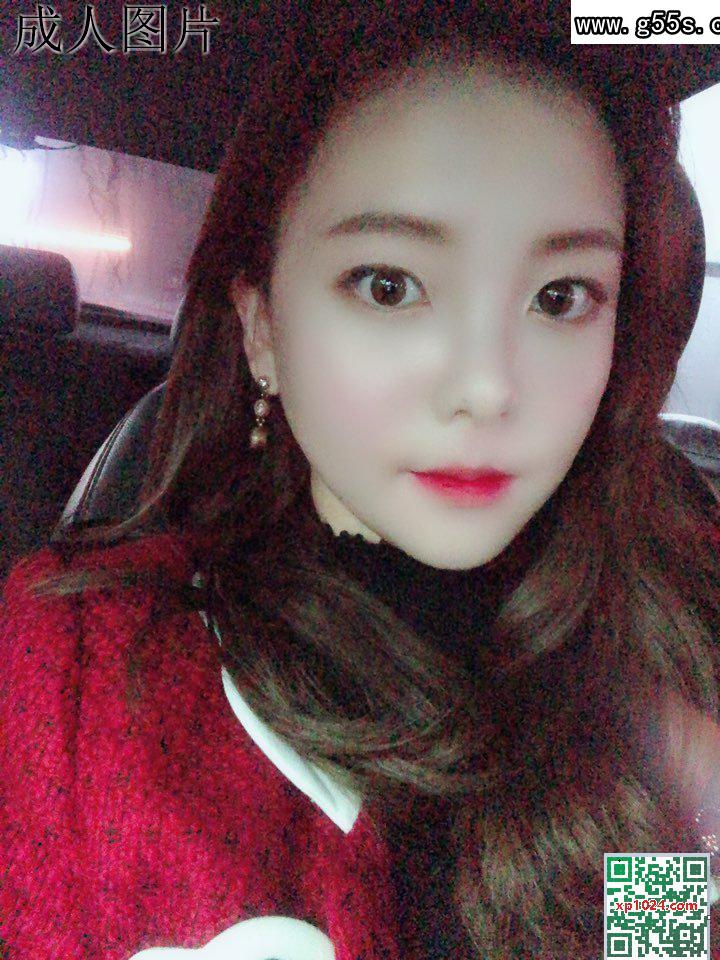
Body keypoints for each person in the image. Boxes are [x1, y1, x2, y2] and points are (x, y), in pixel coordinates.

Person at [2, 3, 720, 958]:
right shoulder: (85, 667)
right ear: (261, 324)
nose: (486, 387)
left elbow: (656, 943)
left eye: (560, 298)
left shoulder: (667, 621)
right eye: (389, 285)